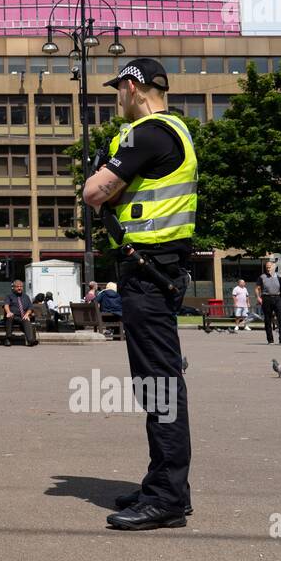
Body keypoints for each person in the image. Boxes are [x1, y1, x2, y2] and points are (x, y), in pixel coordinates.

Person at [83, 57, 194, 531]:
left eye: (117, 91)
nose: (115, 100)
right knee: (157, 382)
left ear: (133, 87)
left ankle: (167, 496)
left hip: (148, 274)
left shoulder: (145, 133)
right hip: (159, 270)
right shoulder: (178, 132)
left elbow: (93, 192)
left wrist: (99, 178)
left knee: (159, 384)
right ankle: (164, 486)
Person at [256, 259, 281, 346]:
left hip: (277, 298)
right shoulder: (262, 277)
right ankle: (270, 340)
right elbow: (257, 288)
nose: (268, 269)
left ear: (274, 267)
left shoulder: (279, 276)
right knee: (267, 319)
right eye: (267, 267)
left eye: (269, 267)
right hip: (266, 298)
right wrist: (258, 297)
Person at [2, 278, 37, 345]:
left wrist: (27, 314)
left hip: (22, 316)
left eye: (21, 286)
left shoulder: (26, 297)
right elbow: (6, 305)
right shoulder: (9, 296)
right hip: (13, 316)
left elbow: (30, 307)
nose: (19, 288)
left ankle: (30, 341)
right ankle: (8, 339)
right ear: (14, 287)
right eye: (17, 287)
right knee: (9, 317)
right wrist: (8, 312)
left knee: (26, 319)